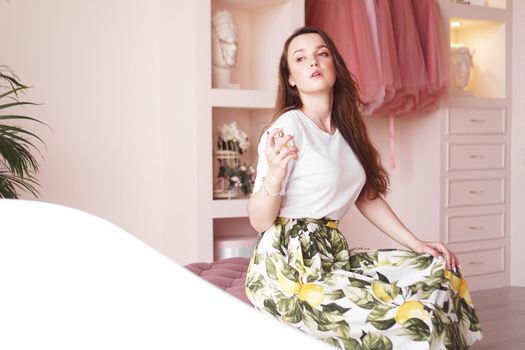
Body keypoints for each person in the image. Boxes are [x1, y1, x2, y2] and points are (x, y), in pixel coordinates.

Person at [244, 26, 482, 350]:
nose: (313, 61)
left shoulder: (347, 132)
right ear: (291, 78)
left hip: (331, 254)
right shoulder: (288, 127)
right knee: (416, 320)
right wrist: (273, 175)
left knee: (439, 272)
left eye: (321, 53)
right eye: (300, 59)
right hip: (286, 269)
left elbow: (367, 197)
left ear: (334, 65)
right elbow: (259, 222)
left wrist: (417, 243)